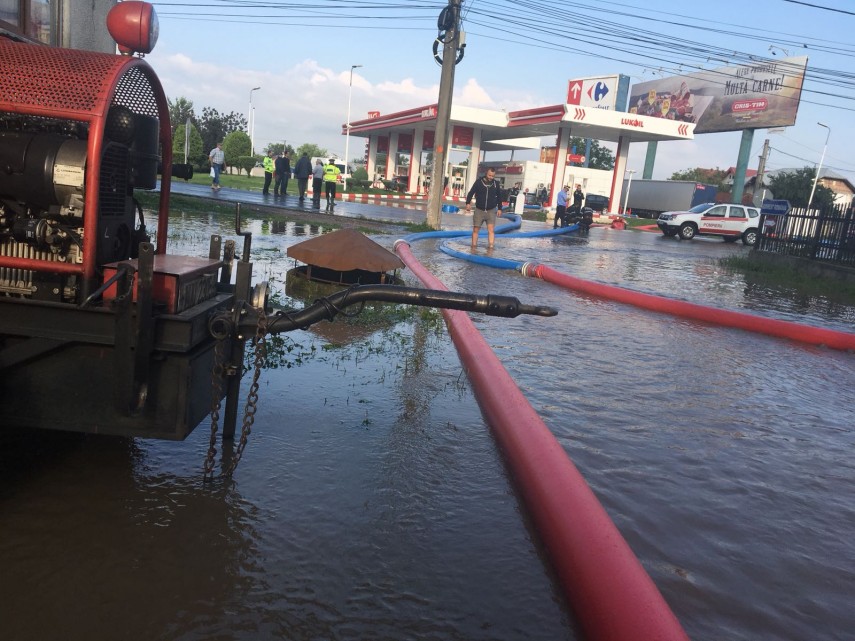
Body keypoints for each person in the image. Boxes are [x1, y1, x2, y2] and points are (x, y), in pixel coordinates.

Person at [464, 167, 503, 249]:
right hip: (479, 210)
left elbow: (499, 196)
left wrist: (500, 208)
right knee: (476, 229)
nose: (491, 177)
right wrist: (468, 203)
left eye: (492, 176)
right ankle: (473, 247)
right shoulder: (479, 182)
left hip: (491, 210)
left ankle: (491, 247)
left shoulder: (496, 184)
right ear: (486, 173)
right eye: (489, 175)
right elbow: (471, 193)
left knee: (491, 230)